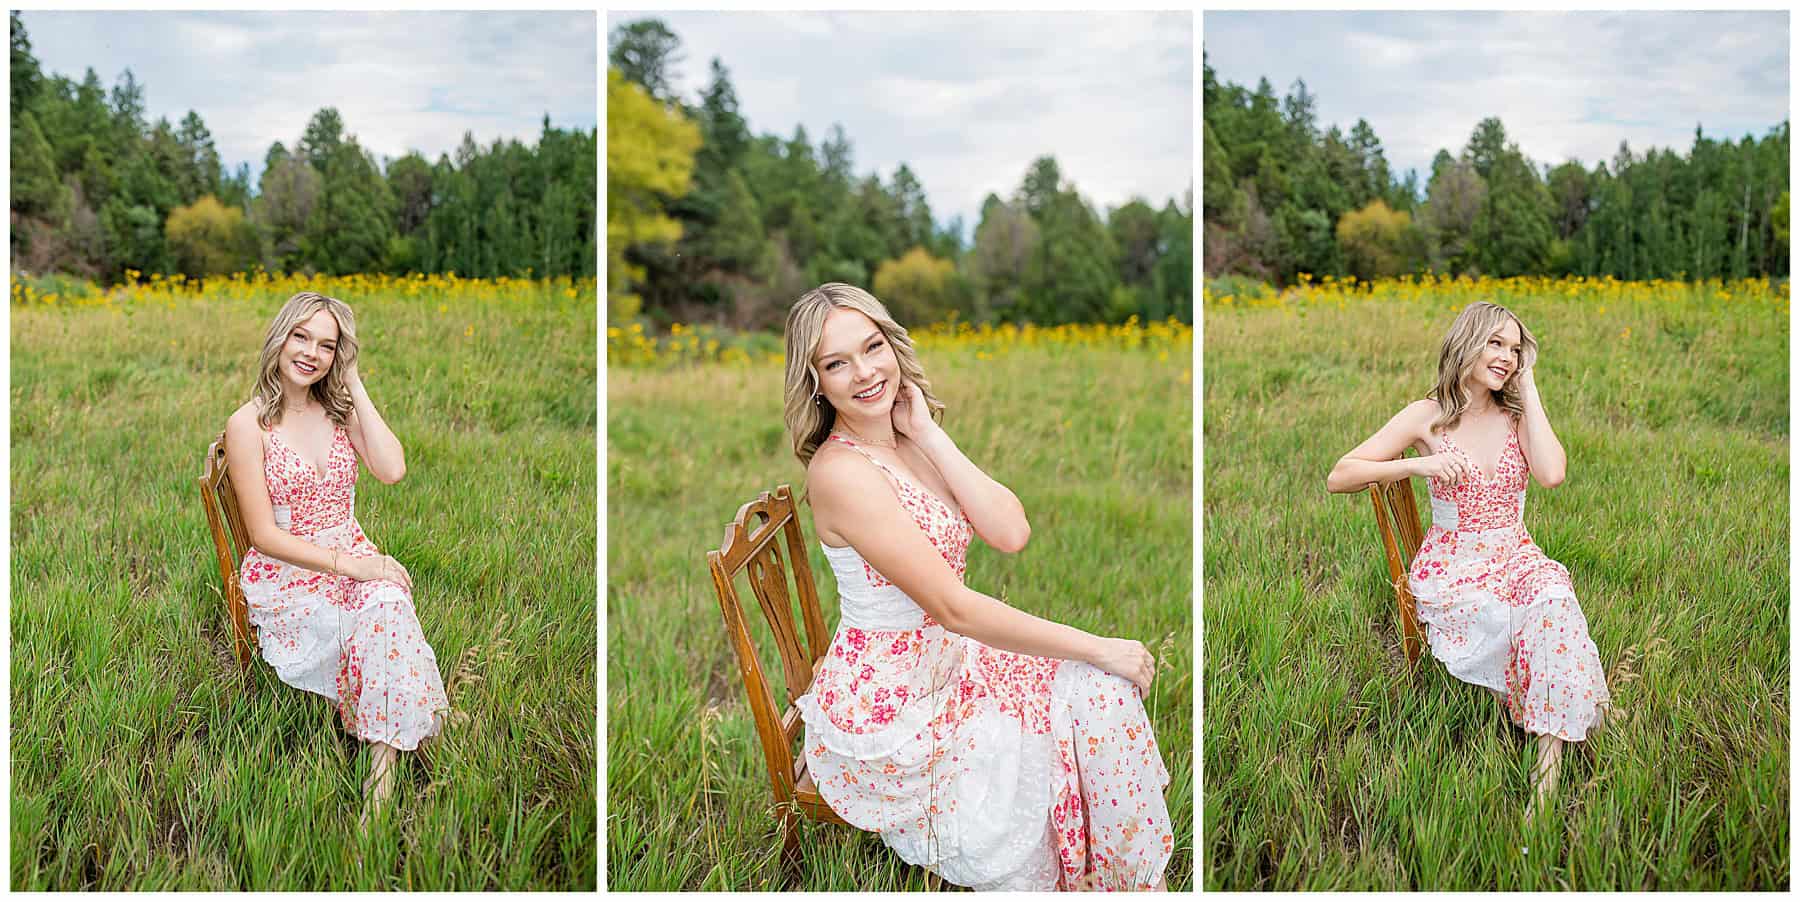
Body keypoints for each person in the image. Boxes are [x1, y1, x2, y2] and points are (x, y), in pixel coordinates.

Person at [783, 283, 1173, 890]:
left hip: (947, 663)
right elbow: (953, 607)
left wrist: (929, 433)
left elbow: (1011, 531)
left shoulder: (904, 438)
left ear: (893, 345)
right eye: (837, 363)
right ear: (815, 382)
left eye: (873, 347)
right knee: (1096, 677)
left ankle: (1117, 878)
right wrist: (1098, 642)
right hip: (896, 705)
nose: (864, 372)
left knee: (1097, 693)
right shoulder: (842, 474)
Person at [1327, 300, 1610, 818]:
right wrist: (1418, 463)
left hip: (1515, 552)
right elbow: (1340, 474)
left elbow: (1551, 474)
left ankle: (1544, 784)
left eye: (1515, 348)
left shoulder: (1517, 414)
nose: (1506, 356)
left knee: (1552, 599)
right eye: (1495, 343)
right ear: (1469, 342)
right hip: (1455, 566)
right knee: (1509, 617)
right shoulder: (1426, 414)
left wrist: (1530, 390)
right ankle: (1541, 703)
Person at [224, 291, 448, 827]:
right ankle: (417, 733)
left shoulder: (338, 411)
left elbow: (391, 470)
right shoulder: (247, 424)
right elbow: (261, 537)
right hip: (289, 574)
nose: (311, 353)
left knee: (387, 604)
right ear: (279, 338)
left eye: (327, 345)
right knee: (379, 603)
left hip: (352, 553)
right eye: (301, 337)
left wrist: (354, 383)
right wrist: (352, 566)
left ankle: (380, 777)